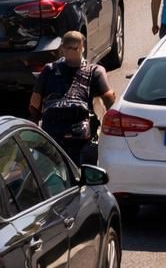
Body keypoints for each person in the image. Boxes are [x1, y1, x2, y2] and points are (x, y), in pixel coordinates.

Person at [30, 30, 116, 166]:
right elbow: (108, 97)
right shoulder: (95, 71)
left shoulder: (49, 70)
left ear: (62, 48)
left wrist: (36, 123)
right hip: (80, 134)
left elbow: (35, 103)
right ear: (83, 48)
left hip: (52, 131)